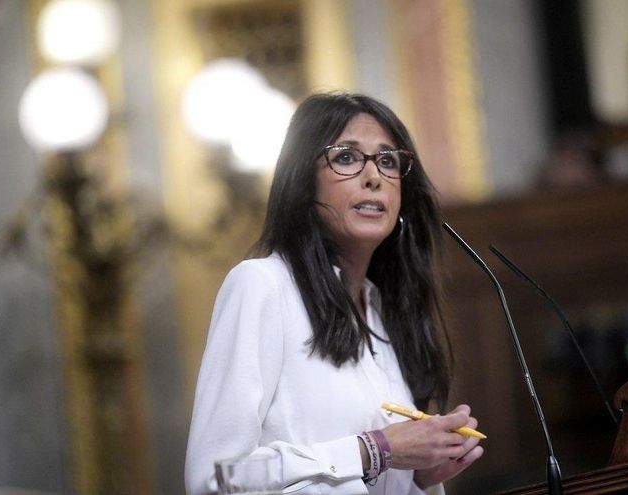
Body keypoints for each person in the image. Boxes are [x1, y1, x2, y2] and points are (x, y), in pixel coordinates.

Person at [185, 93, 484, 494]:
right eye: (346, 158)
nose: (374, 176)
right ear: (303, 182)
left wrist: (417, 476)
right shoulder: (262, 286)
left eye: (388, 160)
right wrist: (374, 450)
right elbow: (214, 478)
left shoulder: (382, 310)